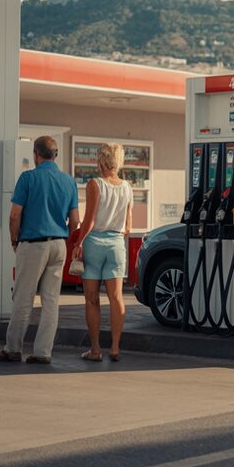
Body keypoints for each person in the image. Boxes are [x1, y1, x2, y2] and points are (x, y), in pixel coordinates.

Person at [0, 136, 79, 365]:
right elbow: (75, 221)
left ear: (36, 154)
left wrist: (14, 240)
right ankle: (43, 352)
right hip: (58, 244)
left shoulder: (28, 178)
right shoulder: (68, 181)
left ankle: (13, 349)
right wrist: (64, 239)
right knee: (51, 301)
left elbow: (15, 215)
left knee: (23, 298)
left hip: (33, 244)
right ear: (56, 155)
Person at [72, 143, 133, 362]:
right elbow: (128, 226)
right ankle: (115, 348)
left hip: (94, 243)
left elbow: (89, 220)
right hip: (117, 244)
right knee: (116, 298)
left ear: (100, 161)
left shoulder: (95, 184)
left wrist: (78, 243)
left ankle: (95, 349)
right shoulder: (127, 187)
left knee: (92, 299)